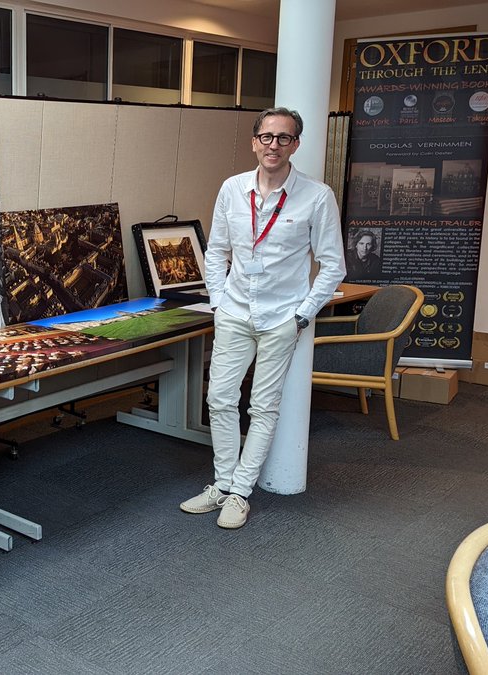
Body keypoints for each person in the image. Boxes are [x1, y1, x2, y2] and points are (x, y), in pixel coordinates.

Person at [180, 107, 346, 529]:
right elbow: (216, 251)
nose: (274, 145)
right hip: (234, 311)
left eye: (283, 138)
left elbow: (332, 265)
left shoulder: (316, 196)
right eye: (267, 137)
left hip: (280, 318)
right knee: (219, 398)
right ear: (254, 142)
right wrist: (218, 300)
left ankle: (239, 493)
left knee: (263, 407)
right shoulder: (232, 189)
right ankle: (220, 483)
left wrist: (302, 315)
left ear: (295, 145)